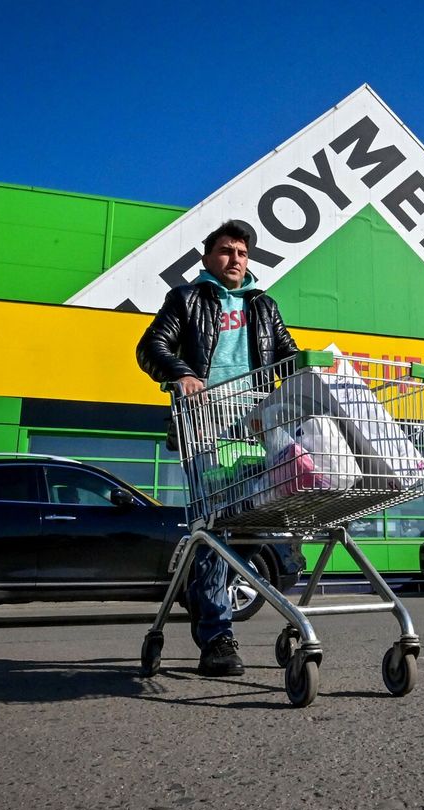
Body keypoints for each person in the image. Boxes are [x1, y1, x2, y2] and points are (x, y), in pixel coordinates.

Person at [136, 221, 298, 676]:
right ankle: (216, 636)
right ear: (208, 257)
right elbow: (151, 346)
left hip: (254, 427)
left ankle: (205, 592)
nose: (235, 259)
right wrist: (181, 372)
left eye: (243, 253)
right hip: (205, 427)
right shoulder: (186, 299)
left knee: (252, 524)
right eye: (226, 251)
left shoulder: (263, 305)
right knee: (217, 526)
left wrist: (313, 378)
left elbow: (288, 354)